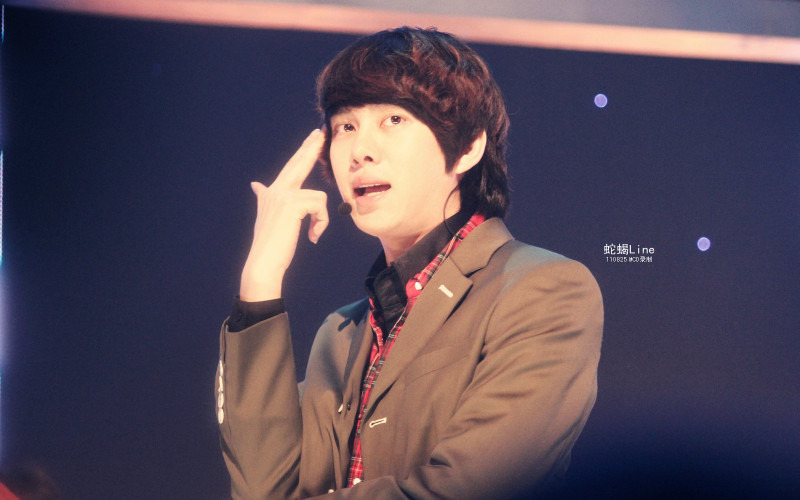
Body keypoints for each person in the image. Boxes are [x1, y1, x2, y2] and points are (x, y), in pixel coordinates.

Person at [215, 27, 603, 499]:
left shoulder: (543, 290)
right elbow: (261, 489)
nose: (360, 151)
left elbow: (462, 490)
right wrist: (260, 278)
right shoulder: (340, 335)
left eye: (393, 119)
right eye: (345, 127)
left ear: (468, 147)